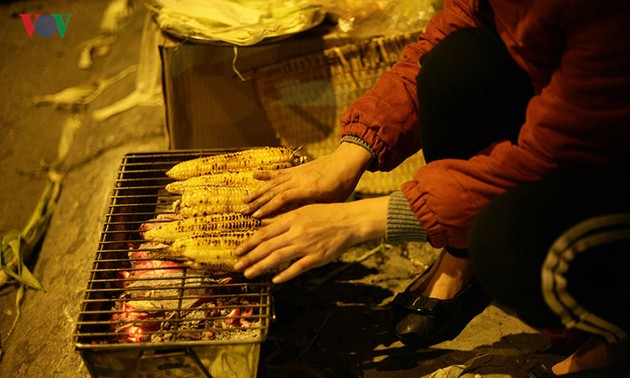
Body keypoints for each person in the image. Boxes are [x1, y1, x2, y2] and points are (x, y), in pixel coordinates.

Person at [233, 0, 630, 376]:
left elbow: (560, 159)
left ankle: (615, 343)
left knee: (506, 241)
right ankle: (461, 254)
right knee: (454, 62)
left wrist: (358, 220)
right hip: (564, 118)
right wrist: (353, 152)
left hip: (606, 162)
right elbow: (450, 30)